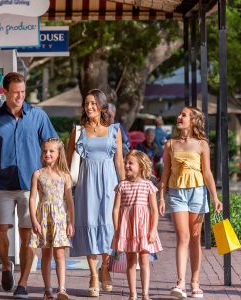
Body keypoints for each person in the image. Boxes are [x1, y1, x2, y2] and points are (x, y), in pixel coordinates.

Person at [0, 72, 58, 299]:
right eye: (15, 92)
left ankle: (22, 283)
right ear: (5, 92)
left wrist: (51, 175)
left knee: (28, 235)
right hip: (3, 183)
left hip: (31, 186)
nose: (20, 96)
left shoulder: (38, 116)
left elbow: (52, 146)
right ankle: (6, 265)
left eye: (23, 92)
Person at [158, 106, 222, 299]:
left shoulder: (202, 145)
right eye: (180, 114)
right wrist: (161, 197)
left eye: (184, 115)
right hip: (177, 193)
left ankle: (195, 281)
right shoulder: (170, 144)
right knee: (182, 237)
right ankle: (180, 282)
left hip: (197, 193)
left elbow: (208, 173)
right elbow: (165, 173)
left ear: (193, 121)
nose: (179, 117)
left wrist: (215, 197)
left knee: (194, 239)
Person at [66, 89, 125, 297]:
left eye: (92, 103)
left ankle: (105, 267)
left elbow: (119, 161)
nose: (89, 107)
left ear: (101, 106)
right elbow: (67, 163)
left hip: (109, 183)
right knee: (90, 223)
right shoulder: (78, 131)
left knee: (109, 226)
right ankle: (92, 275)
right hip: (86, 184)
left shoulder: (114, 130)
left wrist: (124, 186)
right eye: (86, 103)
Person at [111, 150, 163, 300]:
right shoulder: (122, 185)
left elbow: (153, 209)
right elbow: (115, 209)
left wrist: (153, 230)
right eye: (126, 162)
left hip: (143, 228)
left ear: (140, 166)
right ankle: (132, 294)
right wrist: (116, 229)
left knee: (145, 259)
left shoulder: (148, 185)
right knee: (130, 261)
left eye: (130, 163)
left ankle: (145, 293)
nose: (126, 165)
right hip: (127, 228)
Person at [28, 138, 75, 300]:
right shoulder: (37, 174)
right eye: (45, 151)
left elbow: (69, 201)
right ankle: (48, 289)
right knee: (45, 255)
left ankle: (62, 289)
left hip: (60, 218)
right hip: (43, 217)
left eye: (51, 151)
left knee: (60, 255)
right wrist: (34, 220)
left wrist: (71, 222)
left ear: (58, 153)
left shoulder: (65, 176)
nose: (47, 154)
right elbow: (32, 199)